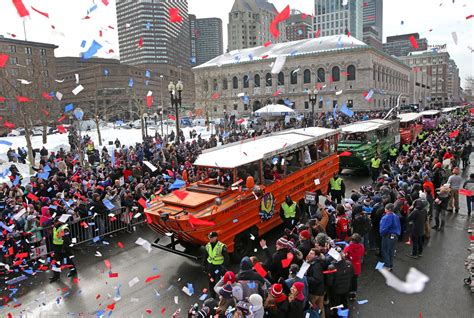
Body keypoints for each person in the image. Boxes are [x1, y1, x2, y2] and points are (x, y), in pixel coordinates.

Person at [202, 232, 229, 298]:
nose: (210, 239)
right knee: (211, 281)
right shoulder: (208, 246)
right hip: (210, 266)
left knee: (221, 281)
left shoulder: (221, 246)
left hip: (219, 266)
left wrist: (224, 267)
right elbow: (205, 256)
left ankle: (223, 296)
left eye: (211, 238)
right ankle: (213, 296)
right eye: (209, 238)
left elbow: (227, 258)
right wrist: (204, 265)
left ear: (216, 237)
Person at [343, 233, 365, 300]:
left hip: (349, 267)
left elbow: (344, 255)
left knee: (349, 281)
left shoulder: (349, 247)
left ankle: (349, 294)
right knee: (354, 281)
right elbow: (362, 254)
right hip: (357, 266)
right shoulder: (361, 247)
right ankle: (353, 294)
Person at [379, 203, 401, 271]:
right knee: (391, 251)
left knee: (385, 250)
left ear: (388, 209)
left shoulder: (386, 217)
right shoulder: (395, 216)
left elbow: (383, 229)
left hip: (387, 236)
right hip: (395, 236)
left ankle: (387, 265)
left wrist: (381, 234)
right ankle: (390, 264)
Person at [306, 247, 326, 318]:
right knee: (320, 308)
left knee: (314, 309)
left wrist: (306, 278)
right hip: (320, 290)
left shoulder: (316, 265)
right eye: (309, 253)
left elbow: (316, 279)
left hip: (315, 292)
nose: (309, 254)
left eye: (311, 254)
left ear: (316, 256)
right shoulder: (317, 262)